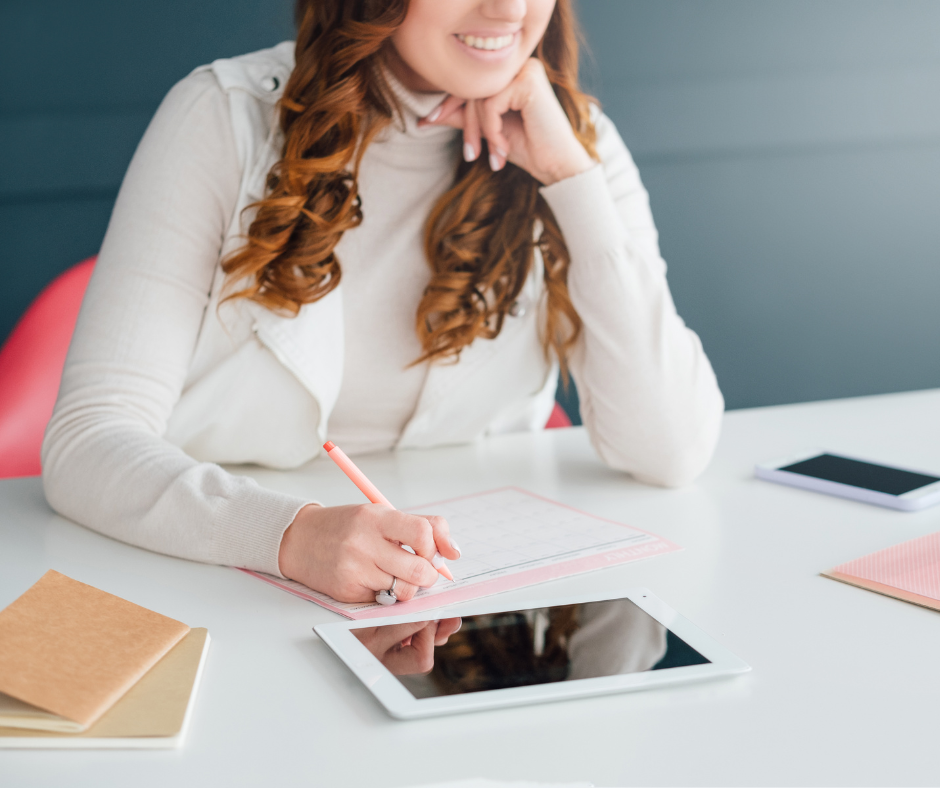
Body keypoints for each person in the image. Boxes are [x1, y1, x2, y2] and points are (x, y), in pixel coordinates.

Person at [42, 0, 723, 606]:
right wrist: (290, 535)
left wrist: (571, 181)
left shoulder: (575, 143)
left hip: (468, 605)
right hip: (216, 586)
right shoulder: (224, 115)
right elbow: (88, 442)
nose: (510, 9)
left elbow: (672, 449)